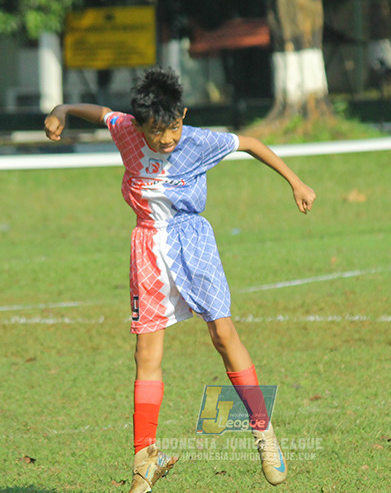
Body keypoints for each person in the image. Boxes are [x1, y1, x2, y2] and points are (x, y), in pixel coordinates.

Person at [45, 67, 316, 492]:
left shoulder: (198, 141)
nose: (166, 139)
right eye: (157, 132)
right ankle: (144, 462)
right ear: (140, 126)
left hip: (193, 242)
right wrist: (62, 108)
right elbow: (101, 114)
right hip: (147, 250)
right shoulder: (126, 132)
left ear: (183, 116)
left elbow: (251, 143)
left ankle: (264, 432)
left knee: (223, 335)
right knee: (146, 353)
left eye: (172, 128)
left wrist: (295, 181)